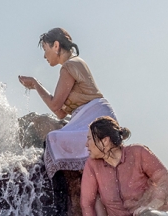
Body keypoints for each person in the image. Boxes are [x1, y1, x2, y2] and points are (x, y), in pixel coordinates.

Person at [17, 28, 117, 178]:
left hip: (95, 117)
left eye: (45, 49)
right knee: (56, 140)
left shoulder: (69, 66)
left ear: (56, 46)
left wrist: (36, 84)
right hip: (92, 116)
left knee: (52, 140)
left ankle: (59, 197)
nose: (44, 55)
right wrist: (35, 86)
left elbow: (55, 105)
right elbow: (60, 113)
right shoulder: (73, 64)